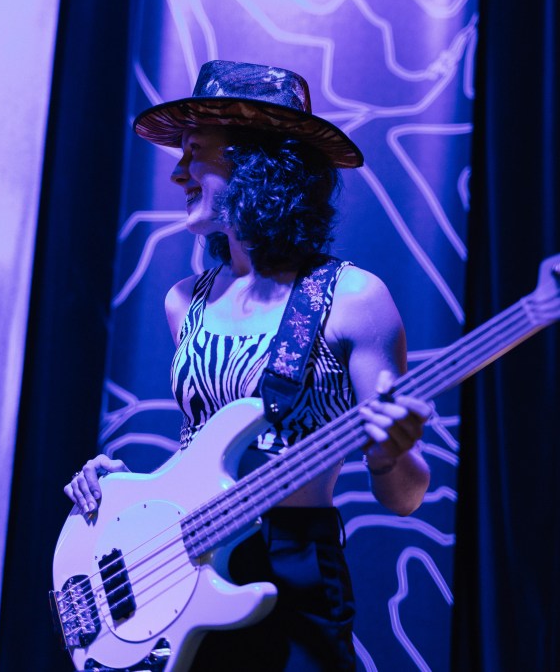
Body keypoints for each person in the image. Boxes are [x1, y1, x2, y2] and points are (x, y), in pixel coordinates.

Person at [65, 61, 431, 671]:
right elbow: (196, 459)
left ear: (256, 164)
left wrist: (389, 455)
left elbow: (406, 498)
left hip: (294, 569)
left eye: (195, 152)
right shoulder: (184, 301)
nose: (177, 172)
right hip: (188, 566)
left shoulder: (354, 299)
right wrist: (122, 492)